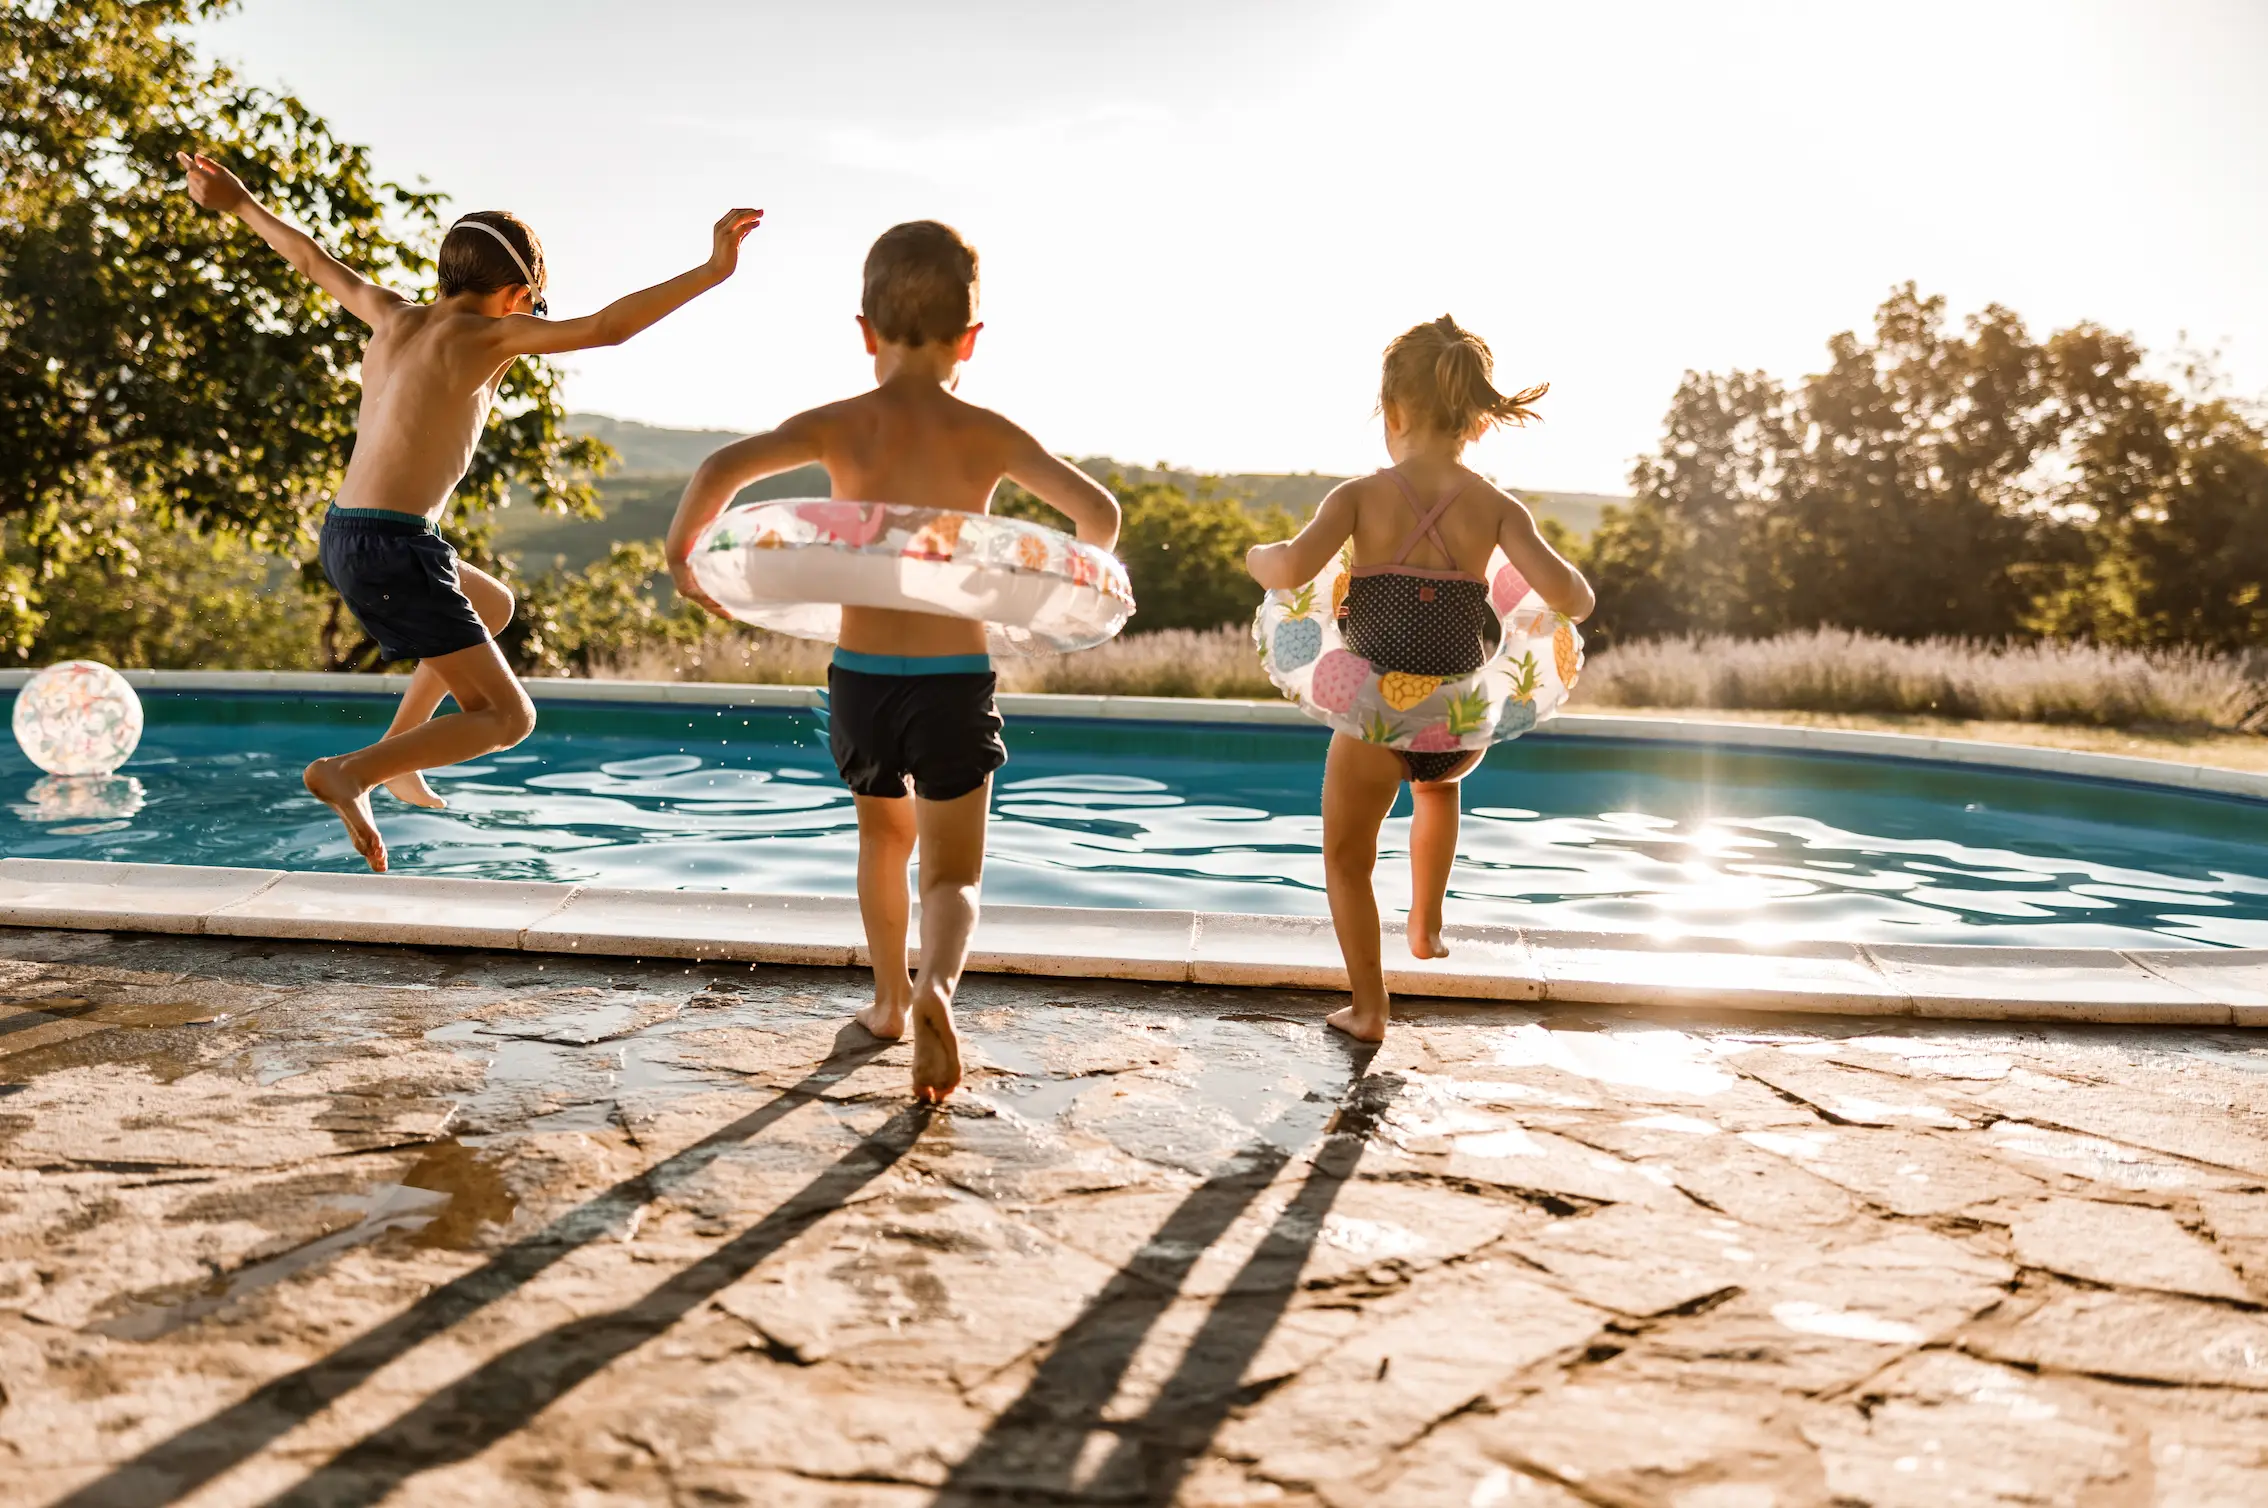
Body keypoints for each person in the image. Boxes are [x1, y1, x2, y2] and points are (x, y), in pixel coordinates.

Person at [175, 150, 761, 873]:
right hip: (394, 545)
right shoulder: (489, 335)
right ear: (517, 292)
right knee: (510, 718)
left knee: (494, 603)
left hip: (348, 530)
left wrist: (237, 202)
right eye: (531, 303)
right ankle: (351, 772)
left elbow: (310, 257)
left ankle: (401, 757)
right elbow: (608, 327)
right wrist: (712, 270)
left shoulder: (389, 313)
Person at [665, 220, 1120, 1103]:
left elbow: (723, 465)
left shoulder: (842, 424)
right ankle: (936, 991)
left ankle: (883, 1003)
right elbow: (1094, 514)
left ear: (865, 330)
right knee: (954, 871)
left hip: (863, 679)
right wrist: (1043, 601)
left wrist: (688, 562)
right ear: (971, 340)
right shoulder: (987, 431)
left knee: (883, 843)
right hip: (956, 678)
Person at [1246, 315, 1594, 1042]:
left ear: (1393, 413)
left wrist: (1259, 555)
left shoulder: (1356, 497)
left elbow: (1289, 570)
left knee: (1346, 858)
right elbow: (1575, 600)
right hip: (1458, 724)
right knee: (1437, 791)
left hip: (1376, 716)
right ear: (1477, 424)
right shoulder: (1499, 508)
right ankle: (1428, 921)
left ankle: (1370, 1008)